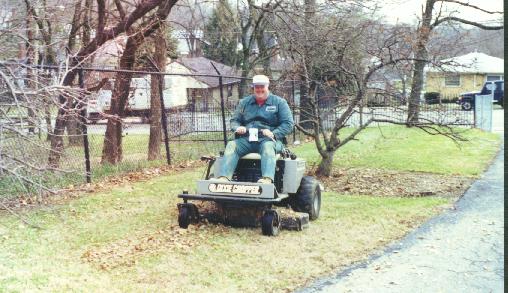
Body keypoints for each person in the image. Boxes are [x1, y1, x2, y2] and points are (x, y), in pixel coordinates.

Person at [216, 75, 294, 184]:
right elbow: (234, 120)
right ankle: (223, 178)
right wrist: (238, 127)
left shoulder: (279, 103)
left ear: (268, 86)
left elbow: (288, 124)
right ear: (253, 88)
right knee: (231, 145)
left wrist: (273, 133)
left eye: (262, 86)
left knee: (267, 147)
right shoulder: (244, 102)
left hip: (270, 140)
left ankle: (267, 179)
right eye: (257, 87)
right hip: (247, 139)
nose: (259, 89)